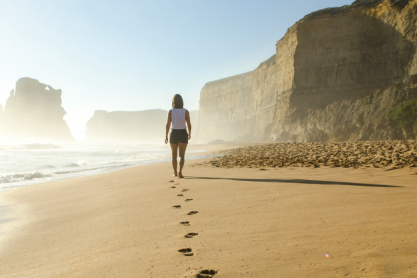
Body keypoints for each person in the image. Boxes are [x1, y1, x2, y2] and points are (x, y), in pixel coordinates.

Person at [165, 94, 191, 178]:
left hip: (174, 133)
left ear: (173, 102)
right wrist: (189, 133)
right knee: (181, 155)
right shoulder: (186, 111)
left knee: (174, 155)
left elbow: (168, 124)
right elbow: (189, 124)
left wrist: (166, 135)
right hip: (183, 133)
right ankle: (180, 171)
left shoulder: (171, 111)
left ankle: (175, 172)